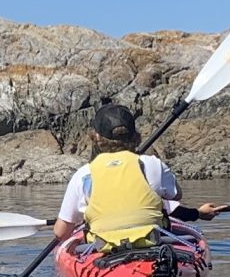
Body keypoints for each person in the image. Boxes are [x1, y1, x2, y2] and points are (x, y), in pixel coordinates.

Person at [49, 103, 219, 249]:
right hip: (153, 244)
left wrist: (82, 217)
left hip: (105, 250)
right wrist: (197, 213)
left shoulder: (84, 175)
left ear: (97, 137)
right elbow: (175, 196)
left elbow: (61, 232)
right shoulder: (152, 164)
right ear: (134, 135)